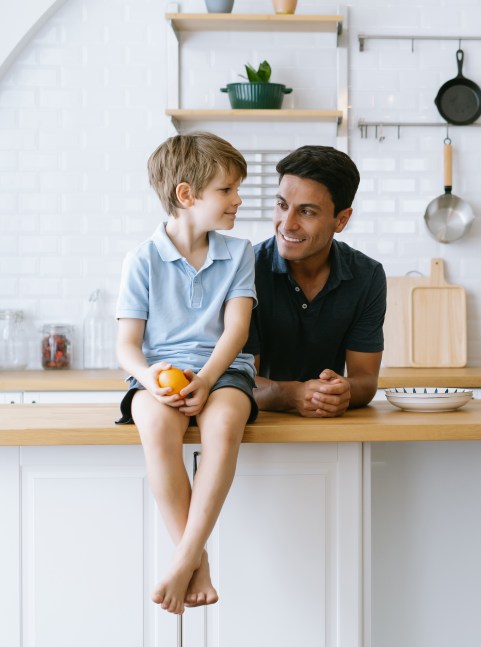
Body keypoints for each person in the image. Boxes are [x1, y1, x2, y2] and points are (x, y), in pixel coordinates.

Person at [115, 132, 258, 615]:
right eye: (228, 190)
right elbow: (127, 347)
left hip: (224, 369)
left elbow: (236, 331)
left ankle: (182, 561)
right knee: (154, 426)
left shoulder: (240, 254)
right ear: (186, 194)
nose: (238, 200)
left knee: (224, 425)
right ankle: (195, 563)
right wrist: (151, 375)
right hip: (160, 376)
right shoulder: (142, 260)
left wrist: (209, 379)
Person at [245, 145, 386, 417]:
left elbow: (366, 380)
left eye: (307, 212)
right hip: (258, 430)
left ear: (341, 219)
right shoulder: (245, 271)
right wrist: (293, 394)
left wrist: (343, 390)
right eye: (282, 205)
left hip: (332, 429)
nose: (287, 224)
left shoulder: (367, 276)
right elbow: (240, 381)